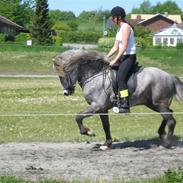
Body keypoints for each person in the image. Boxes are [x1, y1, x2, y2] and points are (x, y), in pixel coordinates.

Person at [106, 6, 136, 113]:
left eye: (113, 17)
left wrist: (114, 60)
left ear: (118, 17)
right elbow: (115, 47)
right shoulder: (119, 29)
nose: (112, 19)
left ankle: (125, 104)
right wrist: (106, 57)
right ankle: (115, 99)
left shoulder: (126, 28)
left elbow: (123, 47)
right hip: (123, 56)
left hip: (129, 57)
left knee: (121, 79)